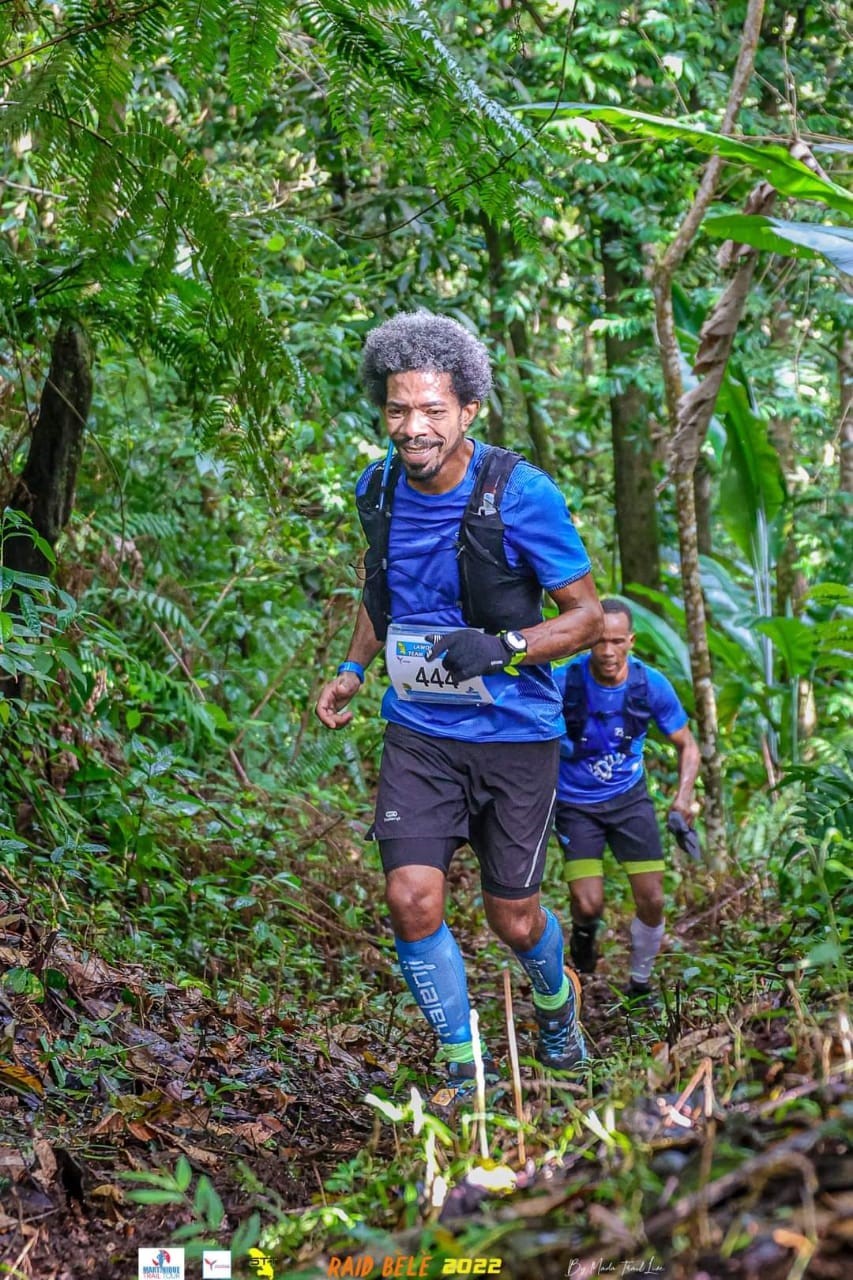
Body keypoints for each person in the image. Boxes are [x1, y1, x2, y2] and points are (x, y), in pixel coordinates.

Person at [315, 311, 602, 1101]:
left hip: (514, 735)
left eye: (433, 410)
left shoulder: (522, 494)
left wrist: (503, 647)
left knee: (514, 919)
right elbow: (382, 589)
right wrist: (352, 668)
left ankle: (556, 1007)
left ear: (468, 410)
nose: (413, 428)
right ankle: (464, 1067)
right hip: (420, 732)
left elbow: (587, 617)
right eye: (398, 409)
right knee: (410, 900)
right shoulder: (376, 488)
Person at [552, 598, 701, 1004]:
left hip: (629, 800)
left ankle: (640, 983)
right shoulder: (564, 682)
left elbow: (688, 745)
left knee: (652, 899)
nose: (608, 651)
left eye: (617, 641)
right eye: (600, 641)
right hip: (575, 804)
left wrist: (683, 798)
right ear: (588, 640)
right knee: (587, 904)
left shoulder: (650, 684)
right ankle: (584, 939)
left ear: (631, 641)